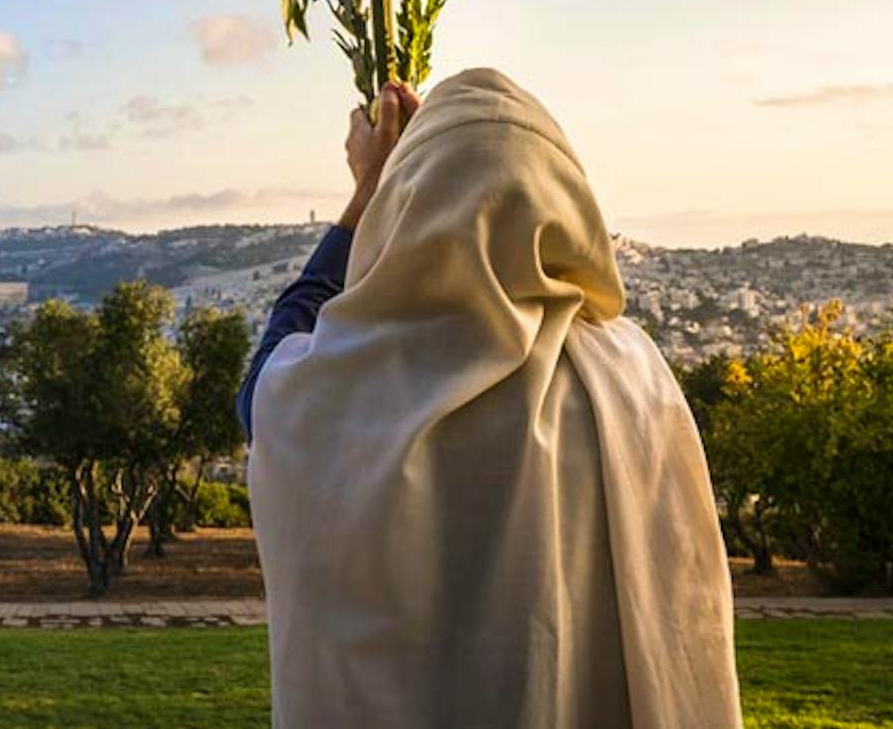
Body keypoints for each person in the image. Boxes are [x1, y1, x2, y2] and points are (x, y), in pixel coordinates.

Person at [239, 68, 742, 729]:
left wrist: (367, 191)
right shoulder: (636, 380)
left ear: (407, 208)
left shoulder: (339, 388)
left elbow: (263, 382)